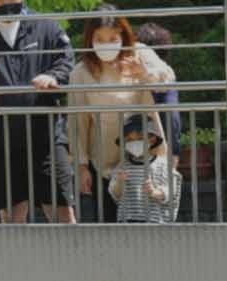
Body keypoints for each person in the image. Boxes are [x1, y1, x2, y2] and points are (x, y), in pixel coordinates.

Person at [0, 0, 77, 223]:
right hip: (0, 139)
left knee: (63, 215)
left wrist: (53, 77)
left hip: (47, 137)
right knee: (11, 222)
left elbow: (66, 60)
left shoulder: (47, 27)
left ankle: (73, 257)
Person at [69, 6, 173, 222]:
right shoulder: (80, 72)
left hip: (147, 159)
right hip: (105, 163)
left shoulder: (139, 53)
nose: (107, 44)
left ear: (123, 35)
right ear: (90, 39)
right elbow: (77, 122)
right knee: (109, 224)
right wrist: (81, 166)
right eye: (100, 38)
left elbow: (168, 79)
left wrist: (144, 73)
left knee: (150, 223)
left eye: (113, 37)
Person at [108, 114, 179, 223]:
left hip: (153, 221)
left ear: (152, 139)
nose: (134, 143)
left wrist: (155, 192)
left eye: (140, 138)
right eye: (129, 140)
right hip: (127, 220)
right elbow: (115, 194)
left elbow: (171, 191)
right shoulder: (122, 166)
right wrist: (119, 183)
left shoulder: (162, 165)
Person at [136, 23, 181, 174]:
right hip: (162, 149)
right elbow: (173, 118)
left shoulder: (141, 72)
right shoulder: (168, 74)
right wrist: (174, 152)